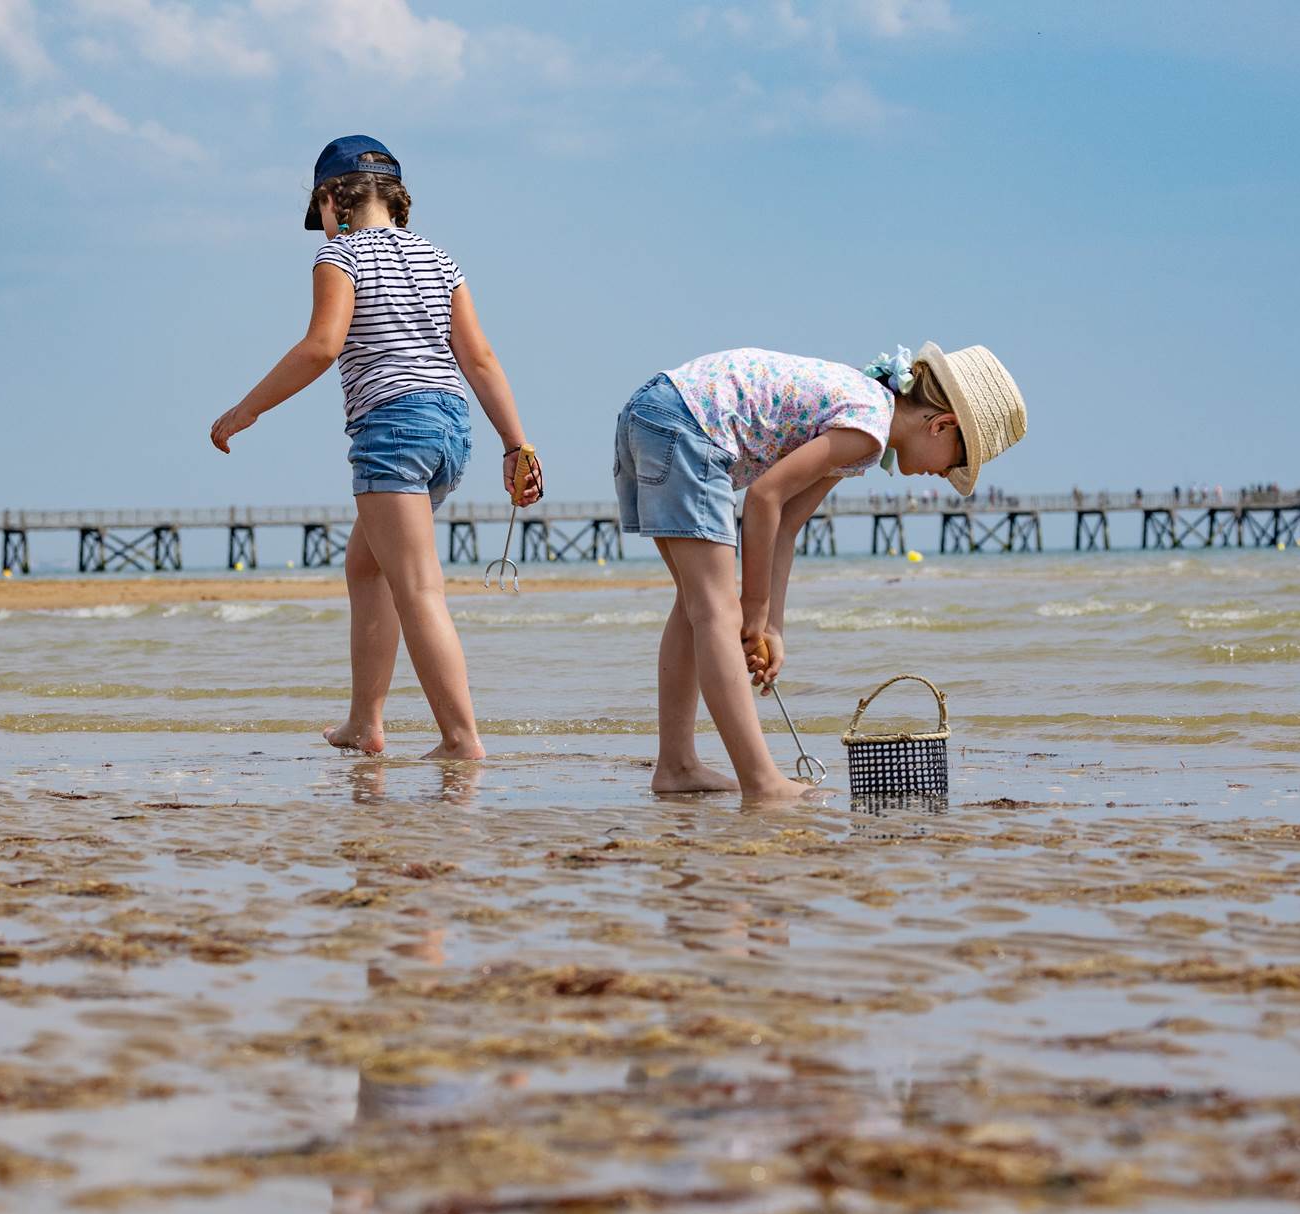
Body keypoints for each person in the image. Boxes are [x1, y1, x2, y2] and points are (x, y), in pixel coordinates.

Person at [210, 135, 540, 760]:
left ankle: (461, 740)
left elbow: (321, 346)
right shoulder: (441, 261)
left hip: (392, 429)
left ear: (331, 199)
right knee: (367, 567)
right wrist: (516, 444)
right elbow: (481, 358)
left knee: (417, 587)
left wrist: (245, 410)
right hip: (451, 430)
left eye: (321, 217)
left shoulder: (341, 258)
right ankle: (364, 724)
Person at [614, 343, 1026, 799]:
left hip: (654, 412)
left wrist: (771, 627)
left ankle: (677, 765)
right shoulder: (867, 432)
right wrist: (752, 606)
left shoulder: (862, 415)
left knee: (698, 605)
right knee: (717, 610)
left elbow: (787, 522)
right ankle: (762, 782)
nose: (946, 474)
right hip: (686, 424)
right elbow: (764, 498)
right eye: (957, 461)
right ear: (941, 425)